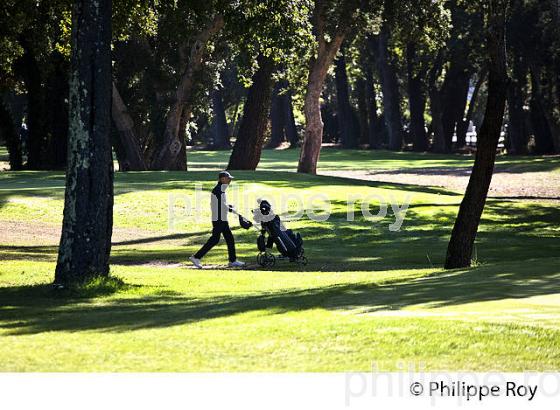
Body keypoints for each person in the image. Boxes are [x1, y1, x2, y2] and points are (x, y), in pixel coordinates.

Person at [189, 171, 245, 269]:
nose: (230, 181)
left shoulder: (221, 189)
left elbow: (222, 204)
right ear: (222, 179)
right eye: (228, 179)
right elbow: (221, 205)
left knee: (229, 239)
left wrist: (229, 206)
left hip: (222, 218)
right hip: (218, 219)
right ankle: (196, 257)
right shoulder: (218, 190)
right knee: (215, 239)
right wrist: (230, 209)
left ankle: (232, 261)